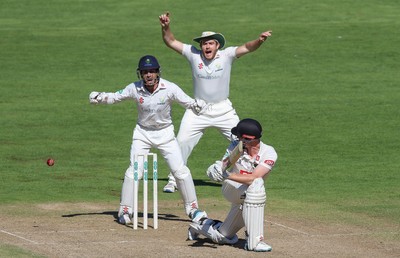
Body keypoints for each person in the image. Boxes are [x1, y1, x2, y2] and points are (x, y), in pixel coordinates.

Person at [159, 12, 273, 193]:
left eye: (211, 43)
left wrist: (259, 41)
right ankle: (174, 179)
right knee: (181, 142)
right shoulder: (193, 54)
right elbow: (171, 41)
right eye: (204, 43)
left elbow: (246, 47)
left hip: (223, 109)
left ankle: (242, 175)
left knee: (243, 141)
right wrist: (166, 27)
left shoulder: (227, 55)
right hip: (198, 109)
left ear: (217, 45)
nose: (207, 46)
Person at [88, 55, 208, 226]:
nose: (149, 75)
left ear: (158, 72)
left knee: (180, 171)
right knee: (135, 171)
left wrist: (200, 105)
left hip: (165, 134)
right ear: (140, 74)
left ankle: (193, 209)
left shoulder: (170, 88)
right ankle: (125, 209)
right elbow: (116, 97)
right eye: (145, 72)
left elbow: (188, 102)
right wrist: (99, 97)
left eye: (152, 71)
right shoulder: (134, 88)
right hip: (142, 134)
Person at [187, 118, 278, 252]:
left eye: (240, 136)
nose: (237, 138)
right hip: (231, 189)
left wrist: (227, 175)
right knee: (256, 186)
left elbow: (253, 177)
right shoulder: (236, 146)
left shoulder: (269, 153)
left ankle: (200, 222)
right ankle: (255, 241)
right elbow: (225, 163)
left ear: (248, 139)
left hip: (247, 193)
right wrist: (217, 168)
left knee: (224, 236)